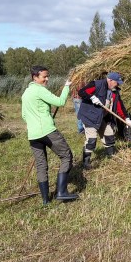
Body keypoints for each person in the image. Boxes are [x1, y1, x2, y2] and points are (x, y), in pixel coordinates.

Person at [21, 66, 79, 205]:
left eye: (48, 76)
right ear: (35, 77)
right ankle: (61, 192)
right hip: (47, 131)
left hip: (33, 134)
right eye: (44, 77)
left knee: (41, 165)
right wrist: (67, 86)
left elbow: (24, 115)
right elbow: (60, 102)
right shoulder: (40, 90)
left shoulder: (26, 93)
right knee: (66, 156)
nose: (47, 79)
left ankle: (46, 200)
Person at [77, 72, 131, 169]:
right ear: (110, 80)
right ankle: (86, 163)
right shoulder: (97, 84)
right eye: (117, 82)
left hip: (104, 117)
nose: (118, 84)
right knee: (91, 140)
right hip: (90, 116)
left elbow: (120, 106)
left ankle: (110, 157)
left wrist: (127, 119)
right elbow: (81, 92)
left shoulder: (114, 91)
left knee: (109, 135)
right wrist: (92, 97)